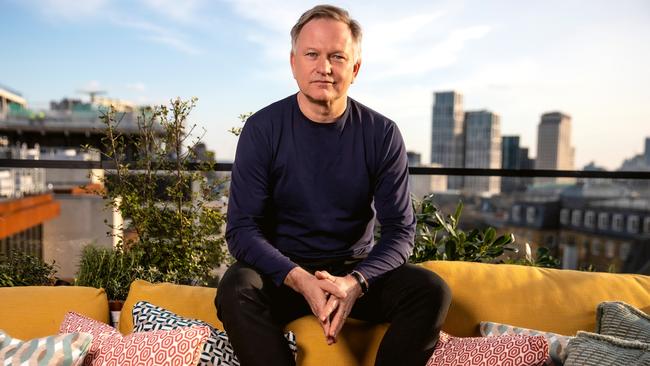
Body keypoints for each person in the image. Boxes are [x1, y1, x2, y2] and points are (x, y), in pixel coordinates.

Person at [216, 4, 451, 366]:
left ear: (354, 68)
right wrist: (299, 279)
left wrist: (355, 282)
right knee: (235, 288)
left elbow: (401, 232)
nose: (323, 67)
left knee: (431, 291)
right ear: (294, 63)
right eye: (311, 54)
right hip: (282, 274)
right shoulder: (263, 129)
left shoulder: (381, 133)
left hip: (355, 271)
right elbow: (241, 230)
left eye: (336, 57)